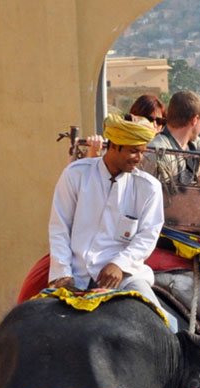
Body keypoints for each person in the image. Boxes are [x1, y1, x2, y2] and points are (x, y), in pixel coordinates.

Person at [47, 114, 165, 308]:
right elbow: (59, 227)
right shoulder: (75, 174)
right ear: (114, 146)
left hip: (126, 278)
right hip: (76, 275)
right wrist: (63, 274)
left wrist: (120, 264)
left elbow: (148, 235)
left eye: (142, 152)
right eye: (134, 151)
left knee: (160, 325)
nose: (139, 158)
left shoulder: (149, 188)